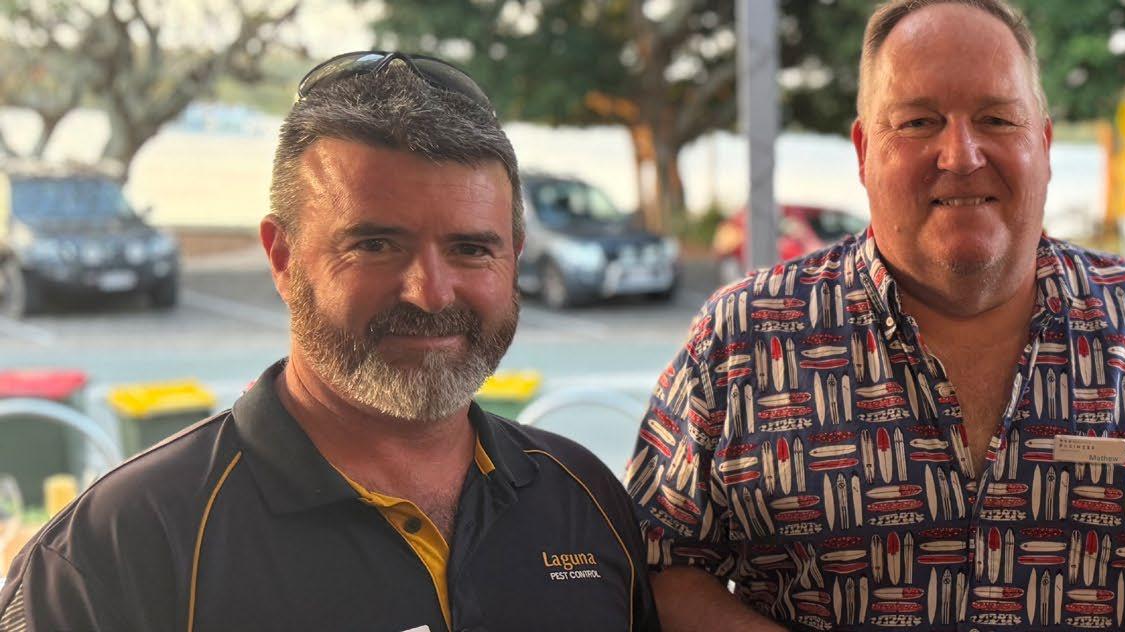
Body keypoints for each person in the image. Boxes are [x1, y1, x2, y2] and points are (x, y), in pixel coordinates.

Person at [624, 1, 1125, 630]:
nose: (961, 155)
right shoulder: (744, 337)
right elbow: (656, 563)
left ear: (1044, 144)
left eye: (996, 118)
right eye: (919, 122)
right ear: (864, 150)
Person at [0, 52, 657, 630]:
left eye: (470, 249)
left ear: (514, 259)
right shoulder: (120, 546)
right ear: (283, 258)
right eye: (375, 245)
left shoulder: (585, 500)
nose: (431, 293)